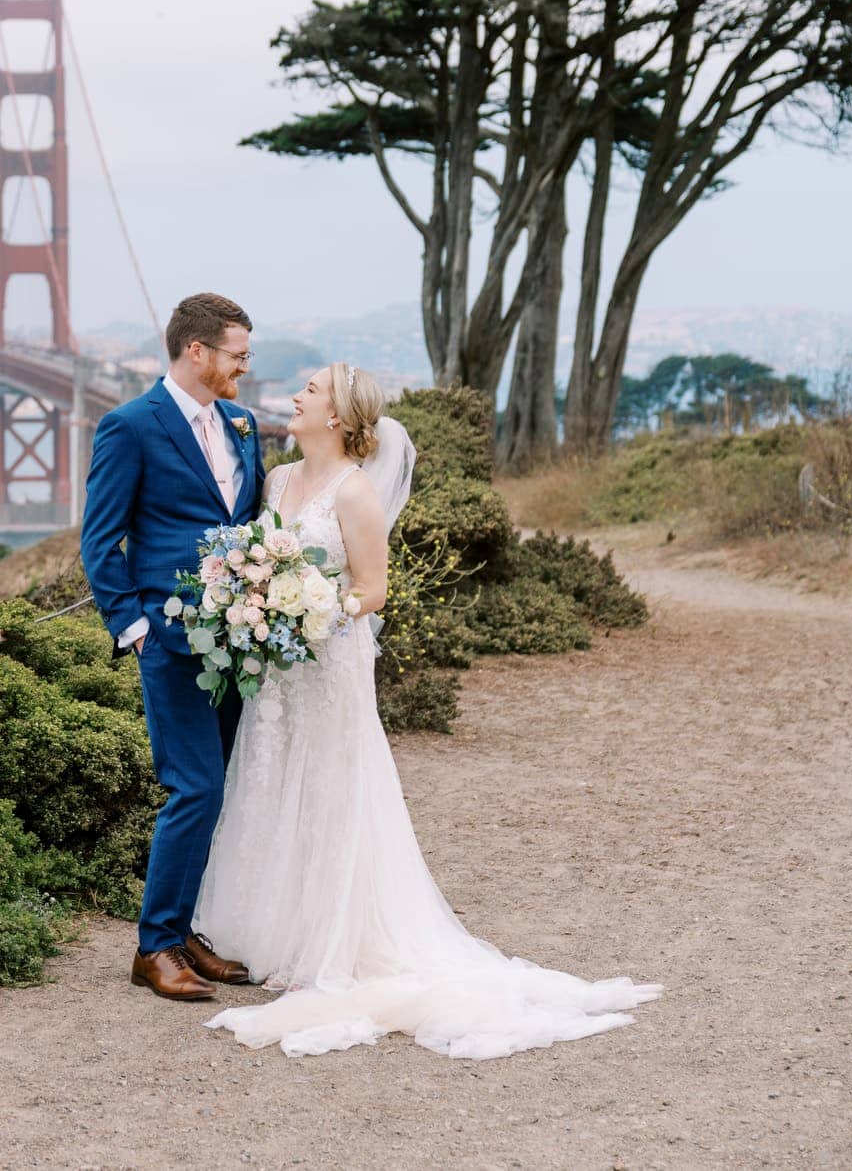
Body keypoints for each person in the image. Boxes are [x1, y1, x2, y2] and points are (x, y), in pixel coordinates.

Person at [193, 363, 664, 1059]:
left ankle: (333, 939)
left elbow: (372, 590)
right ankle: (266, 932)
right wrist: (256, 602)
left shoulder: (355, 495)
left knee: (331, 787)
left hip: (327, 663)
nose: (296, 397)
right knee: (272, 778)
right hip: (279, 671)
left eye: (312, 390)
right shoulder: (278, 480)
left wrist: (315, 609)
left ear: (339, 416)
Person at [79, 292, 264, 1001]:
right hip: (169, 640)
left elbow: (246, 522)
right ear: (197, 351)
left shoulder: (245, 425)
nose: (245, 368)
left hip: (238, 643)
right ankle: (153, 946)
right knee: (195, 786)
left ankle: (184, 933)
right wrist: (133, 628)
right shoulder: (130, 427)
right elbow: (101, 540)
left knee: (216, 791)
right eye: (237, 355)